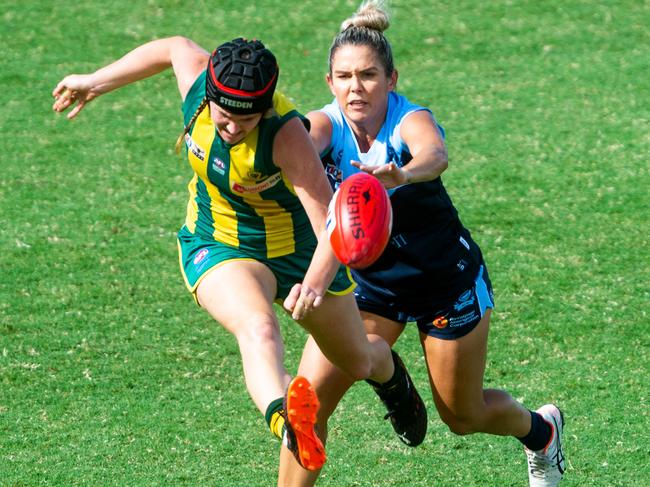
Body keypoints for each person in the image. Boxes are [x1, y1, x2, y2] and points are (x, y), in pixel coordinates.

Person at [51, 35, 426, 474]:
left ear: (265, 110)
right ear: (209, 96)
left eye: (243, 122)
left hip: (300, 253)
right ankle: (287, 417)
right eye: (223, 116)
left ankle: (388, 372)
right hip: (220, 243)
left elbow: (330, 224)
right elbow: (172, 47)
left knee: (359, 360)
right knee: (258, 326)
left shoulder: (286, 137)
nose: (230, 128)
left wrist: (315, 283)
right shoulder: (198, 90)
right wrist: (95, 83)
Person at [278, 1, 566, 486]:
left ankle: (542, 432)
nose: (356, 88)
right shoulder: (323, 127)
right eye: (344, 77)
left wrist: (402, 175)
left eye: (368, 75)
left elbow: (435, 153)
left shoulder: (409, 120)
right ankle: (390, 378)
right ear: (330, 82)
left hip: (444, 283)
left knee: (463, 415)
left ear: (392, 80)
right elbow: (293, 141)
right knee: (305, 405)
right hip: (370, 287)